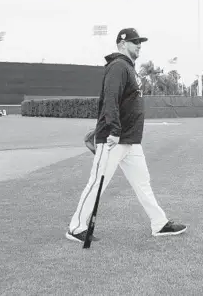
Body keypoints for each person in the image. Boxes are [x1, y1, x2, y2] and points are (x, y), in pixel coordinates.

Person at [66, 28, 187, 243]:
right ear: (122, 44)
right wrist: (113, 130)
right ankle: (76, 227)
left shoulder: (129, 68)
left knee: (143, 183)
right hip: (114, 139)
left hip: (130, 140)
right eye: (134, 42)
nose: (139, 45)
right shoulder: (118, 66)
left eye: (140, 42)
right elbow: (110, 100)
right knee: (96, 183)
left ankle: (159, 224)